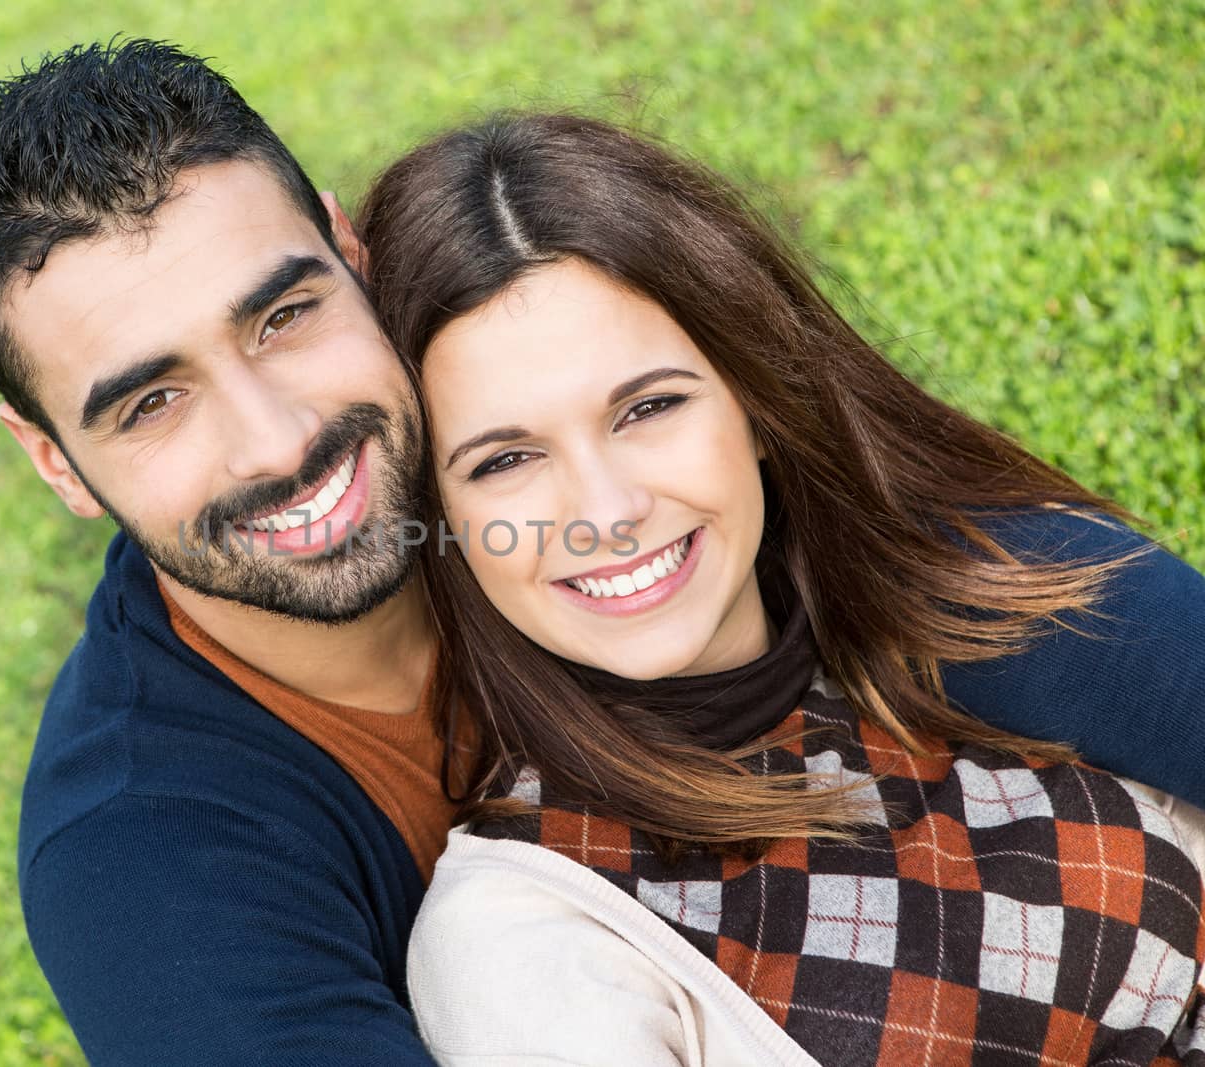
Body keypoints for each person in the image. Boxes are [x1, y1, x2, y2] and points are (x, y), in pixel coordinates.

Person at [0, 39, 1205, 1064]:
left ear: (345, 248)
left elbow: (947, 553)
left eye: (283, 314)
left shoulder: (521, 396)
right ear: (50, 458)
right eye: (151, 402)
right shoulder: (145, 859)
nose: (280, 441)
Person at [357, 112, 1205, 1065]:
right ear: (445, 520)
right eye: (507, 458)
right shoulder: (521, 933)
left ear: (757, 402)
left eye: (649, 406)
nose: (605, 508)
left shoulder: (946, 598)